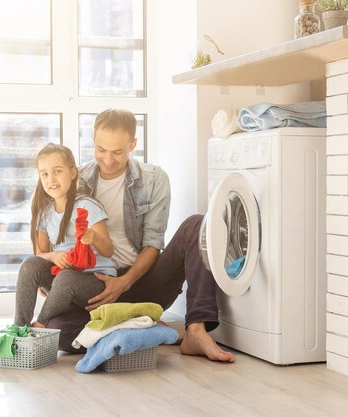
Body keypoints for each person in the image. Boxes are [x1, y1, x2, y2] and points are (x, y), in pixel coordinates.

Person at [46, 108, 235, 363]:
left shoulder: (153, 179)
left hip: (143, 280)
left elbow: (153, 245)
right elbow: (52, 233)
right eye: (101, 150)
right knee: (57, 331)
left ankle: (195, 330)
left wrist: (124, 282)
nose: (108, 160)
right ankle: (147, 325)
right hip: (97, 286)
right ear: (93, 141)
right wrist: (54, 283)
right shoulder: (76, 180)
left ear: (133, 144)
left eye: (118, 152)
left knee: (196, 224)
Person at [14, 143, 115, 328]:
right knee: (30, 265)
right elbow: (40, 252)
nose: (50, 179)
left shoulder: (87, 205)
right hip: (63, 279)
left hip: (95, 282)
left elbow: (108, 251)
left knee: (66, 278)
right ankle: (19, 328)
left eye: (57, 171)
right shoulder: (44, 213)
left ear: (73, 172)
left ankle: (40, 325)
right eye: (44, 174)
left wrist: (94, 237)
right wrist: (54, 256)